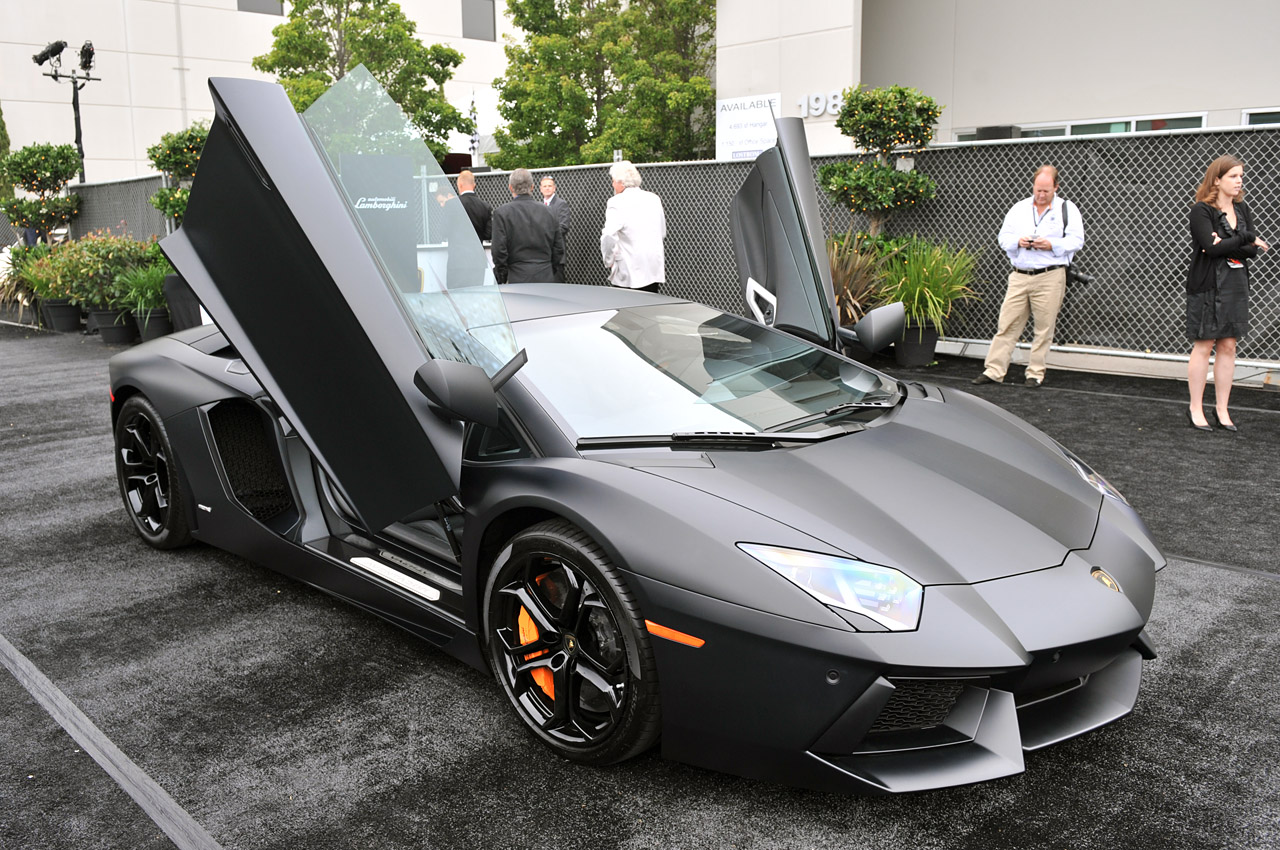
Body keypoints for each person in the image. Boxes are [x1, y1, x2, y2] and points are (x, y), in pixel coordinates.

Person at [973, 165, 1084, 388]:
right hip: (1019, 275)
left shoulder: (1067, 209)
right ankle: (994, 370)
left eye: (1046, 191)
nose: (1041, 195)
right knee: (1007, 324)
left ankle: (1035, 373)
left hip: (1050, 276)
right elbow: (1003, 238)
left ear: (1056, 187)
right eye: (1037, 190)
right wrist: (1018, 242)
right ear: (1033, 186)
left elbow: (1076, 241)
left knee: (1044, 327)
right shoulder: (1019, 208)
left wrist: (1050, 244)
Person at [1184, 155, 1270, 431]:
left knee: (1228, 346)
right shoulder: (1201, 211)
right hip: (1207, 284)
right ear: (1217, 180)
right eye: (1233, 176)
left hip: (1235, 284)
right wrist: (1244, 238)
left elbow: (1251, 253)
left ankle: (1222, 409)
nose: (1239, 181)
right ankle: (1195, 408)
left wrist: (1230, 242)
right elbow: (1212, 248)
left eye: (1241, 176)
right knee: (1204, 344)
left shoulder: (1242, 209)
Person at [600, 160, 666, 292]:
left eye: (613, 180)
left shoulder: (616, 202)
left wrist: (609, 260)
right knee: (650, 307)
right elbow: (662, 232)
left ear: (620, 182)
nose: (612, 184)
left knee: (627, 308)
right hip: (653, 267)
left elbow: (608, 236)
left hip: (629, 270)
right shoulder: (653, 198)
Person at [491, 167, 564, 284]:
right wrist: (552, 270)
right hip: (545, 275)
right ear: (532, 187)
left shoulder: (502, 213)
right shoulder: (550, 212)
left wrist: (502, 276)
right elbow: (558, 248)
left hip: (516, 277)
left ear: (510, 187)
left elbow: (499, 251)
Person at [455, 170, 492, 242]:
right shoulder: (485, 206)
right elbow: (488, 234)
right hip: (477, 250)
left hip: (457, 250)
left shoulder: (451, 204)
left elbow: (444, 232)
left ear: (460, 185)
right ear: (474, 185)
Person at [539, 176, 570, 246]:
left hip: (556, 247)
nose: (547, 188)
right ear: (541, 189)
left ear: (554, 188)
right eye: (544, 186)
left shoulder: (561, 204)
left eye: (549, 186)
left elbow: (563, 227)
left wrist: (545, 234)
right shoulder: (539, 206)